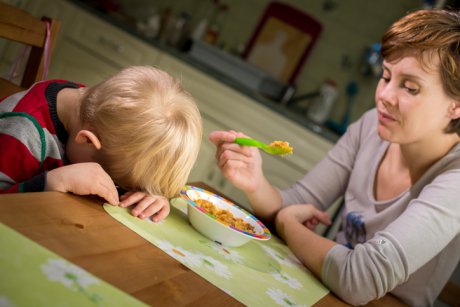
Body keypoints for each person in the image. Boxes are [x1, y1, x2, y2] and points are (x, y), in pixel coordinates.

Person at [209, 9, 460, 306]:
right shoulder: (371, 126)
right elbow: (295, 202)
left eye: (410, 87)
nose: (384, 96)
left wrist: (289, 225)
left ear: (455, 106)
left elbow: (360, 280)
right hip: (324, 289)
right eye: (386, 76)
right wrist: (254, 182)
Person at [0, 66, 202, 222]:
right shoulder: (23, 131)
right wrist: (51, 182)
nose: (112, 186)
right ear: (87, 140)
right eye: (114, 179)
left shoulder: (99, 110)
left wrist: (151, 194)